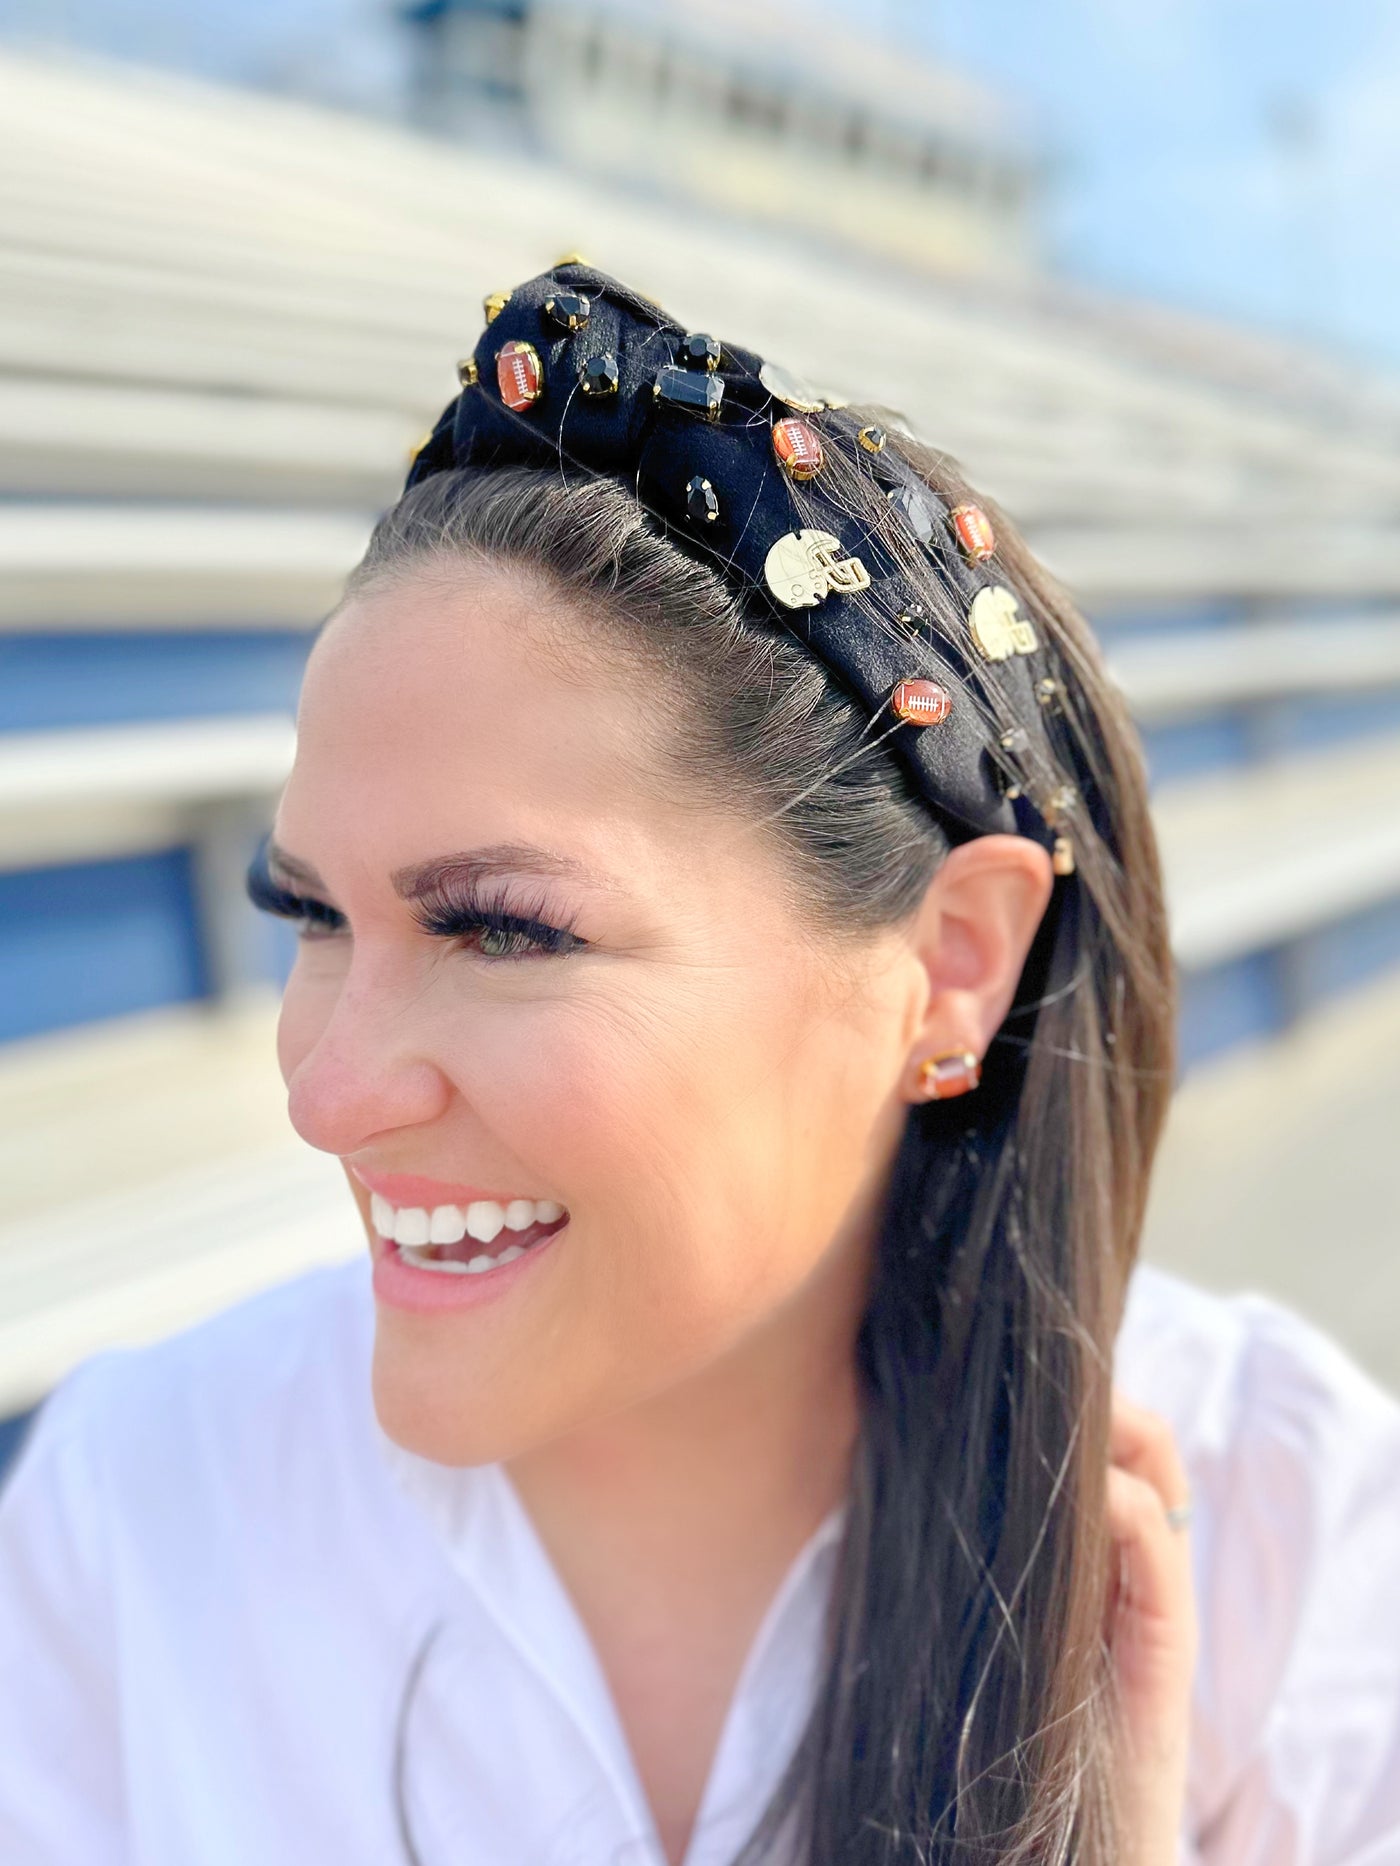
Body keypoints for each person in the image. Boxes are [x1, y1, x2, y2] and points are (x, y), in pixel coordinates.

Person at [0, 257, 1397, 1866]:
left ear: (950, 967)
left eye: (500, 931)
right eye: (308, 914)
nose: (325, 1094)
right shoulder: (136, 1506)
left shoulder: (1290, 1528)